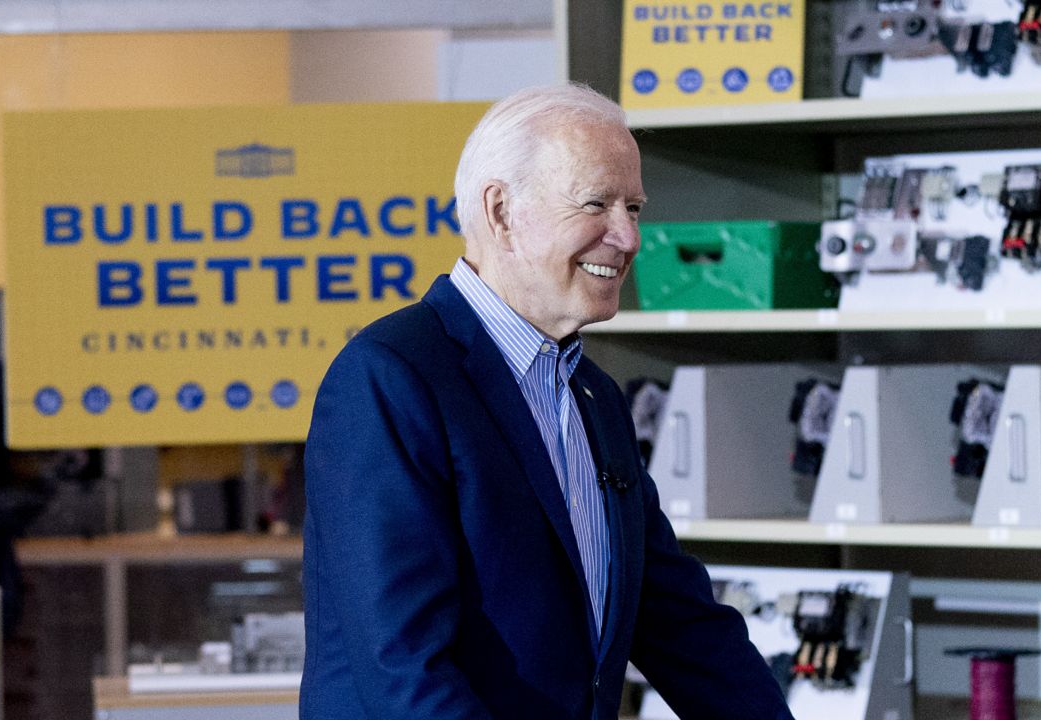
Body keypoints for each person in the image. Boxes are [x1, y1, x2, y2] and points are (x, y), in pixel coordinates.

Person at [300, 83, 793, 720]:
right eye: (596, 204)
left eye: (634, 209)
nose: (627, 237)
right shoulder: (389, 378)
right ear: (501, 211)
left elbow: (682, 624)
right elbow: (405, 670)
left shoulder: (596, 397)